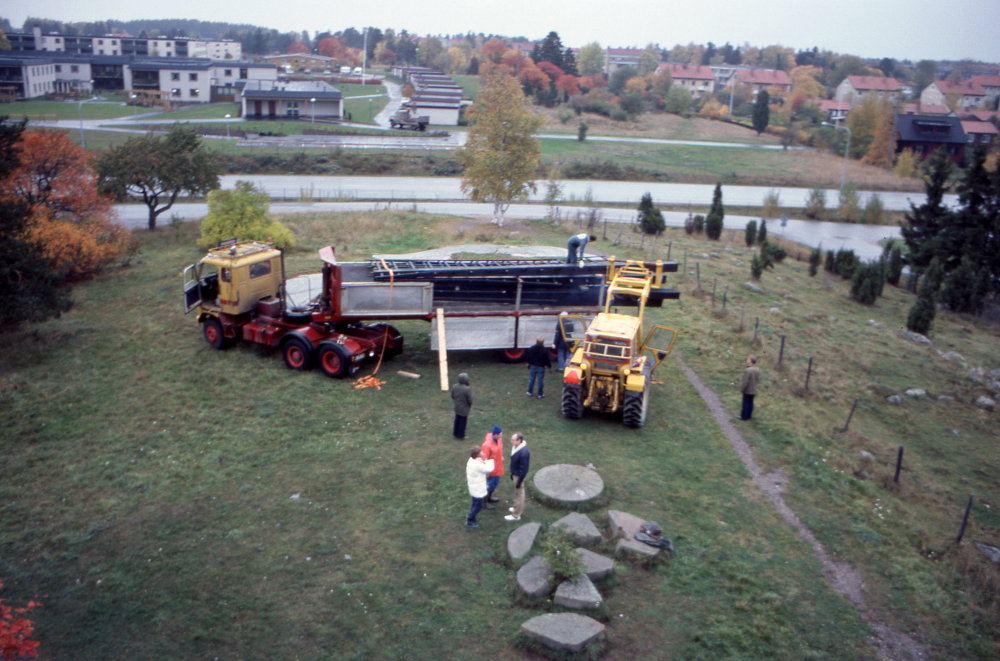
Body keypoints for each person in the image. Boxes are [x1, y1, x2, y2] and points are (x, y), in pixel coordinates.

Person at [465, 446, 494, 529]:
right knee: (478, 506)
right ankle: (469, 520)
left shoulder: (471, 460)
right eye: (481, 452)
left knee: (474, 503)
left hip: (474, 488)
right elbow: (489, 469)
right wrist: (487, 459)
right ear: (477, 455)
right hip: (478, 489)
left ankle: (472, 517)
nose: (482, 453)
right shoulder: (477, 464)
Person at [505, 432, 530, 522]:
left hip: (519, 476)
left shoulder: (523, 453)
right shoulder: (516, 447)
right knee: (517, 493)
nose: (511, 441)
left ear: (519, 440)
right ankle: (516, 508)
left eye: (513, 440)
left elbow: (524, 469)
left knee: (519, 495)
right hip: (515, 474)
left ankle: (516, 515)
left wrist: (519, 481)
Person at [480, 425, 504, 509]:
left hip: (497, 467)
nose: (501, 435)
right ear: (495, 435)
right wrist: (487, 471)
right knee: (489, 485)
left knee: (494, 484)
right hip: (491, 469)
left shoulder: (499, 440)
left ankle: (489, 498)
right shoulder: (487, 445)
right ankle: (484, 502)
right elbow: (484, 459)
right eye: (500, 434)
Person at [451, 373, 472, 440]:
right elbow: (470, 400)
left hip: (457, 406)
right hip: (464, 408)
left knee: (457, 420)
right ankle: (461, 435)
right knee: (463, 422)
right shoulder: (467, 389)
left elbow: (452, 396)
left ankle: (455, 433)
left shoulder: (454, 386)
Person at [739, 355, 760, 421]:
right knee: (750, 403)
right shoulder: (757, 369)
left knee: (745, 403)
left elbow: (745, 381)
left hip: (748, 389)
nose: (747, 360)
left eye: (748, 359)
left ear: (750, 361)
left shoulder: (748, 370)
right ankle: (749, 416)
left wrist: (742, 389)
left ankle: (744, 416)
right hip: (754, 389)